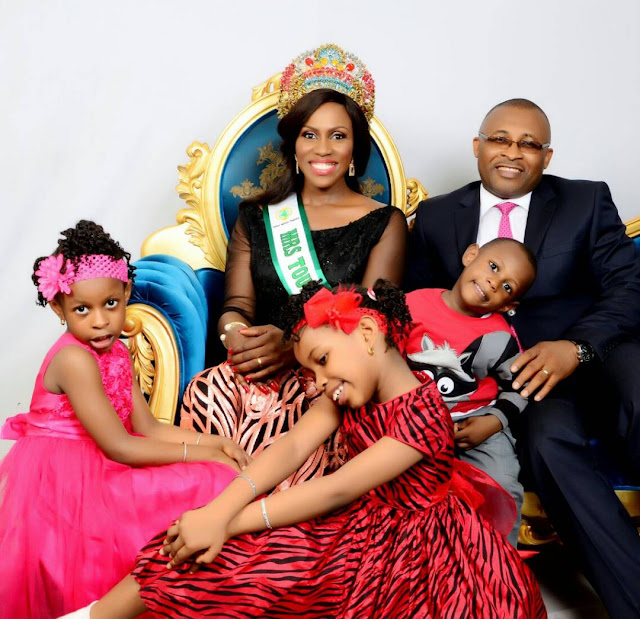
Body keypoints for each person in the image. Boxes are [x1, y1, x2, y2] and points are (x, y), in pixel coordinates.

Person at [64, 280, 546, 619]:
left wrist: (227, 522)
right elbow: (292, 445)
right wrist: (219, 508)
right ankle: (92, 615)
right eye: (312, 371)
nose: (320, 382)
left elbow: (337, 488)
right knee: (194, 544)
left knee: (248, 563)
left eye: (322, 361)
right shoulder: (348, 393)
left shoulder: (425, 414)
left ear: (368, 334)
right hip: (358, 524)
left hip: (419, 552)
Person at [406, 98, 640, 617]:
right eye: (500, 139)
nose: (513, 152)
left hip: (599, 353)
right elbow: (418, 310)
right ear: (477, 146)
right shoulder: (440, 215)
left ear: (546, 157)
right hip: (522, 382)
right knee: (547, 444)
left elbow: (629, 286)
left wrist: (576, 347)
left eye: (529, 144)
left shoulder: (585, 200)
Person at [181, 43, 407, 488]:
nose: (323, 149)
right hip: (254, 368)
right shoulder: (256, 216)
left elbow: (374, 322)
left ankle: (258, 517)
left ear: (356, 148)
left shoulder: (385, 222)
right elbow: (236, 306)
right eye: (309, 134)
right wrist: (236, 338)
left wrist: (291, 346)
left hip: (327, 380)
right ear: (294, 145)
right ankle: (211, 507)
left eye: (338, 136)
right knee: (206, 391)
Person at [0, 220, 250, 618]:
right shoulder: (74, 359)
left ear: (127, 293)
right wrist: (205, 457)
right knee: (210, 479)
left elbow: (148, 427)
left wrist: (214, 443)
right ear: (59, 307)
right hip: (65, 482)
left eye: (111, 304)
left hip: (106, 462)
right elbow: (120, 445)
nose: (100, 320)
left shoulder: (115, 351)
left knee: (218, 473)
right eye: (82, 309)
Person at [405, 238, 537, 547]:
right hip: (410, 418)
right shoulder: (413, 304)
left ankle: (497, 564)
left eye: (507, 287)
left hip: (473, 420)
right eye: (493, 267)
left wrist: (493, 422)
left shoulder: (499, 337)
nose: (493, 283)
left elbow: (519, 388)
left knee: (501, 482)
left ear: (507, 306)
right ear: (471, 254)